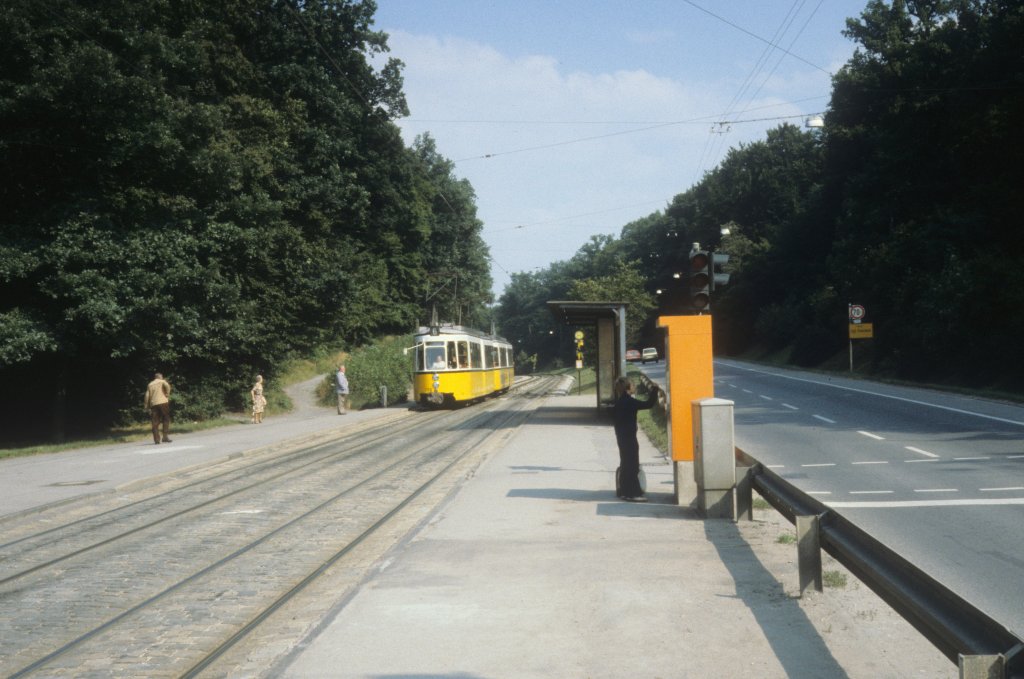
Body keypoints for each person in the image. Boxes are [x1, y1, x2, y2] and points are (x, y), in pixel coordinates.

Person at [612, 376, 660, 502]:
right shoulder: (629, 402)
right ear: (628, 388)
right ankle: (631, 493)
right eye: (633, 385)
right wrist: (655, 390)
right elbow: (648, 404)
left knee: (625, 462)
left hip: (621, 436)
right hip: (629, 437)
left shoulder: (620, 402)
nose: (634, 387)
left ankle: (623, 491)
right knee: (632, 464)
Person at [144, 372, 172, 444]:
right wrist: (167, 394)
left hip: (154, 405)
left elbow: (147, 396)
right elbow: (167, 386)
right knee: (166, 419)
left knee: (155, 422)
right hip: (163, 403)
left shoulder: (150, 384)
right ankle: (165, 437)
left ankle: (156, 439)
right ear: (160, 377)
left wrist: (146, 406)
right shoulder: (162, 381)